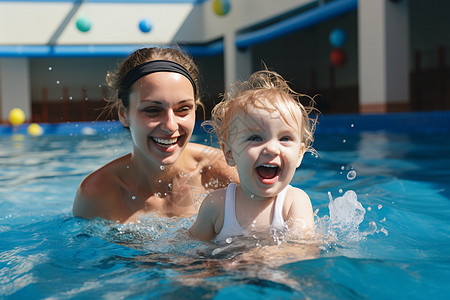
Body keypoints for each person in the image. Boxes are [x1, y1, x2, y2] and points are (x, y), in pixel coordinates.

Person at [73, 47, 238, 223]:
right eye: (152, 110)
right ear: (123, 113)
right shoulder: (98, 194)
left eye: (183, 109)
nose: (170, 126)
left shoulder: (224, 173)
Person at [189, 70, 317, 242]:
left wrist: (260, 256)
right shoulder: (216, 206)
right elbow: (191, 251)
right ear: (230, 153)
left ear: (300, 154)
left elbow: (303, 249)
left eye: (285, 138)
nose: (272, 149)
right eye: (255, 138)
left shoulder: (294, 202)